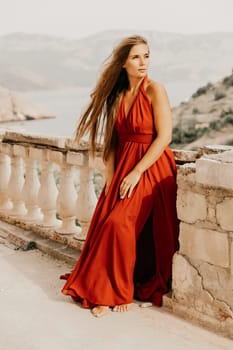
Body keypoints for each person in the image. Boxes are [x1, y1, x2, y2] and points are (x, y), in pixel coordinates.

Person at [61, 34, 179, 317]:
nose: (143, 62)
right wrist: (111, 178)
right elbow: (112, 143)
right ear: (123, 63)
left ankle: (115, 291)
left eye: (147, 56)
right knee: (106, 223)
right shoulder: (117, 96)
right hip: (124, 167)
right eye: (136, 57)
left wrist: (138, 172)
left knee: (119, 224)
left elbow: (164, 137)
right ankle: (105, 288)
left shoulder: (155, 90)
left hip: (151, 168)